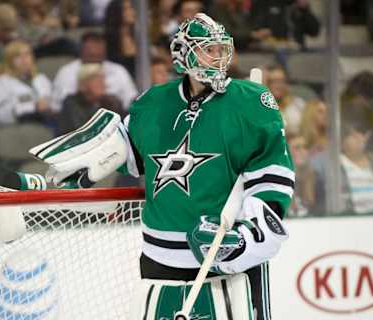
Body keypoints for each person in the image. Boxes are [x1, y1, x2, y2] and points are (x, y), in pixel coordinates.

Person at [32, 13, 293, 319]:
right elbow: (121, 153)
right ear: (184, 53)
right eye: (209, 49)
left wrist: (245, 239)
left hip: (225, 259)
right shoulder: (154, 103)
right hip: (160, 258)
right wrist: (56, 180)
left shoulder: (251, 102)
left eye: (222, 49)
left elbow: (273, 182)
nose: (218, 56)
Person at [310, 122, 373, 214]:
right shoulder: (327, 163)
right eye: (352, 135)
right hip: (348, 223)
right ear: (341, 142)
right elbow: (308, 175)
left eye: (361, 134)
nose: (359, 138)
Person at [51, 32, 138, 113]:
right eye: (91, 55)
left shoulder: (118, 70)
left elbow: (131, 100)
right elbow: (59, 106)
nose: (95, 55)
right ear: (82, 51)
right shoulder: (66, 72)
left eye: (98, 55)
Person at [0, 40, 53, 125]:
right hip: (18, 128)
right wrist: (32, 107)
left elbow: (55, 102)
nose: (24, 59)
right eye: (18, 56)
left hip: (47, 124)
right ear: (9, 60)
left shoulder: (41, 79)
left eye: (27, 54)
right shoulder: (1, 83)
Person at [57, 63, 124, 134]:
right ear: (84, 84)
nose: (104, 85)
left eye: (103, 80)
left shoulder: (110, 102)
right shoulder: (71, 103)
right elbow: (81, 130)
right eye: (98, 81)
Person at [264, 64, 306, 135]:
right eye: (273, 81)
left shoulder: (299, 104)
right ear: (266, 84)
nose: (278, 85)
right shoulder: (261, 107)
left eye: (281, 81)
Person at [104, 0, 137, 75]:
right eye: (127, 9)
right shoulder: (107, 40)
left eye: (132, 8)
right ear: (116, 12)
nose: (132, 12)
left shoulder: (139, 37)